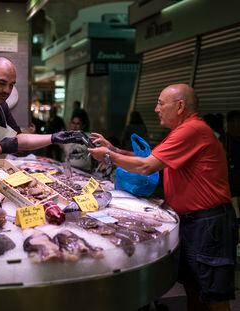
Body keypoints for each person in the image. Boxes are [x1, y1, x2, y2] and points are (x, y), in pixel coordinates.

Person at [88, 84, 237, 311]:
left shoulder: (192, 130)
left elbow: (148, 166)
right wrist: (115, 149)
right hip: (193, 221)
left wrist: (109, 156)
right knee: (194, 287)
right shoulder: (182, 131)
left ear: (179, 106)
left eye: (160, 103)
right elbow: (153, 158)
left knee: (214, 295)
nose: (156, 109)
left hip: (209, 223)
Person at [0, 56, 84, 162]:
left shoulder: (0, 105)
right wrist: (1, 147)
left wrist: (53, 138)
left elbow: (18, 139)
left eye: (11, 85)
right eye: (2, 83)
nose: (7, 90)